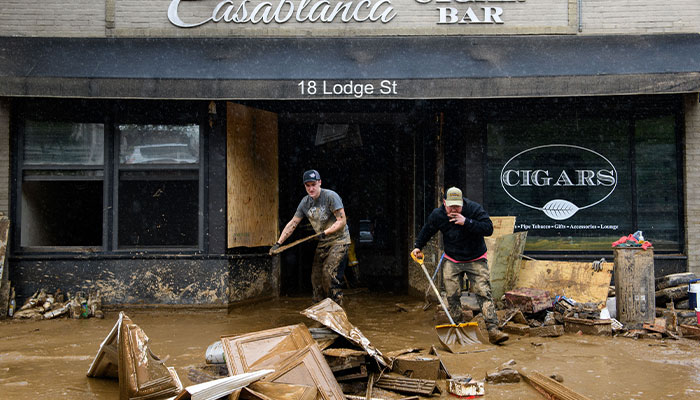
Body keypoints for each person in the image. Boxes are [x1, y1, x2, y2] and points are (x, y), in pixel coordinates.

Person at [411, 187, 509, 345]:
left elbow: (488, 228)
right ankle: (458, 328)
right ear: (444, 203)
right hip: (452, 259)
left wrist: (467, 222)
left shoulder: (474, 209)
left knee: (484, 293)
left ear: (462, 203)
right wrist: (418, 246)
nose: (454, 209)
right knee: (452, 295)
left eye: (457, 206)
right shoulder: (438, 214)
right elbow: (428, 230)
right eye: (451, 206)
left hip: (476, 258)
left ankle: (493, 330)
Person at [270, 170, 351, 305]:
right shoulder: (305, 203)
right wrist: (278, 243)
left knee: (328, 274)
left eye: (313, 184)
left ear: (320, 182)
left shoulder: (331, 196)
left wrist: (326, 232)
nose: (311, 188)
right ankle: (319, 313)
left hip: (339, 241)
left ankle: (337, 311)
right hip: (323, 242)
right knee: (316, 279)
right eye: (307, 185)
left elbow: (342, 221)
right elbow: (293, 224)